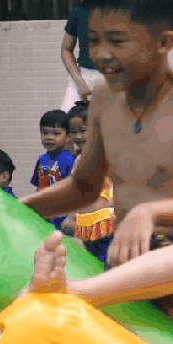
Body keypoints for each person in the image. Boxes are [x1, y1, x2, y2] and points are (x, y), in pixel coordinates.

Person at [20, 0, 173, 318]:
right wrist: (10, 207)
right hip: (124, 260)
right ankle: (81, 290)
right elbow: (83, 187)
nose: (101, 55)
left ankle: (75, 294)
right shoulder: (103, 99)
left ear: (164, 43)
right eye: (93, 40)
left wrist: (150, 212)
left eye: (117, 41)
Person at [65, 101, 117, 265]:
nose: (78, 136)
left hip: (104, 226)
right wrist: (72, 217)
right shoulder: (79, 159)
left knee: (104, 265)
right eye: (73, 131)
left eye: (83, 130)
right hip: (86, 227)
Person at [61, 0, 108, 112]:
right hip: (84, 75)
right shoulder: (78, 13)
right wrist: (79, 81)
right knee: (65, 116)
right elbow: (66, 49)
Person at [31, 110, 76, 231]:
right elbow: (39, 188)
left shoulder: (69, 161)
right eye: (44, 133)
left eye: (56, 133)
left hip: (63, 218)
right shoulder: (41, 159)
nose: (49, 137)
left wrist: (72, 217)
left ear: (68, 136)